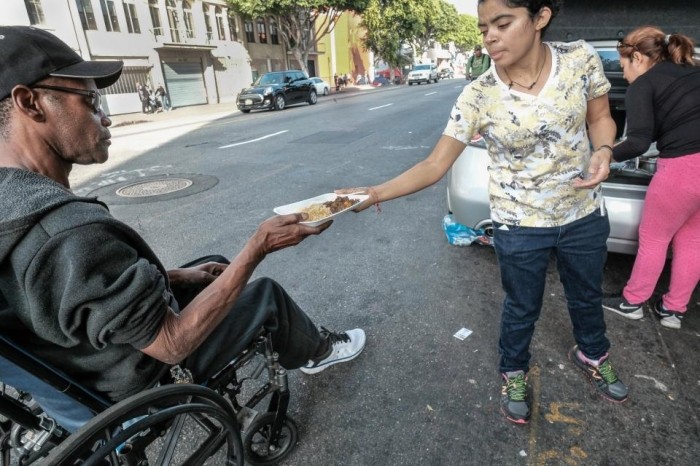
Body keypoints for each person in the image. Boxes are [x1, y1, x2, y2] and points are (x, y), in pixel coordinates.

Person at [0, 25, 365, 422]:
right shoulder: (66, 231)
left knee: (210, 267)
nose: (104, 117)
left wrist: (173, 275)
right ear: (30, 103)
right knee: (262, 293)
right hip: (136, 380)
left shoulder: (14, 203)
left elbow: (68, 293)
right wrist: (258, 246)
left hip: (81, 366)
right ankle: (320, 352)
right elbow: (172, 344)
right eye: (90, 100)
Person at [337, 0, 628, 425]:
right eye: (483, 27)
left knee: (585, 295)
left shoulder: (579, 59)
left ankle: (593, 353)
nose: (490, 36)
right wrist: (375, 192)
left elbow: (601, 118)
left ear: (540, 18)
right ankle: (513, 370)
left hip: (582, 213)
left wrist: (603, 150)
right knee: (521, 305)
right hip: (519, 224)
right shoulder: (479, 94)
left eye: (503, 23)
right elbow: (434, 165)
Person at [601, 27, 700, 330]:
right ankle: (673, 311)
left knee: (655, 238)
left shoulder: (643, 85)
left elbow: (639, 142)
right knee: (693, 240)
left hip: (683, 169)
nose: (625, 73)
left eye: (623, 65)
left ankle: (632, 302)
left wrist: (605, 155)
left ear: (639, 58)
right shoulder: (692, 73)